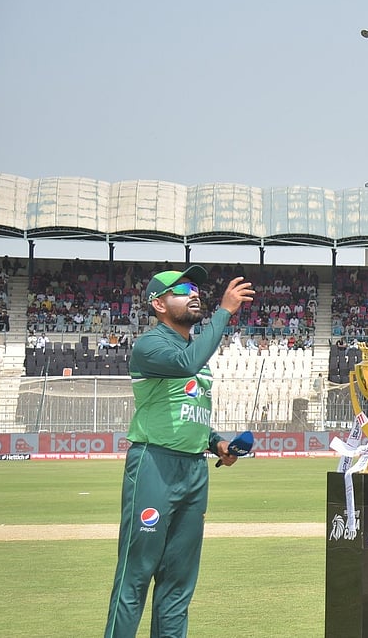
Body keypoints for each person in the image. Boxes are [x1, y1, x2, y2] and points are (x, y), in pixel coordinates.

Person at [103, 265, 255, 637]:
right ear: (158, 304)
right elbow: (187, 364)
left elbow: (189, 413)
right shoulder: (151, 345)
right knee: (135, 575)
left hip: (194, 470)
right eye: (182, 289)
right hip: (154, 465)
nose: (194, 293)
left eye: (195, 288)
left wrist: (216, 442)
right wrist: (224, 312)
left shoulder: (193, 351)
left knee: (178, 584)